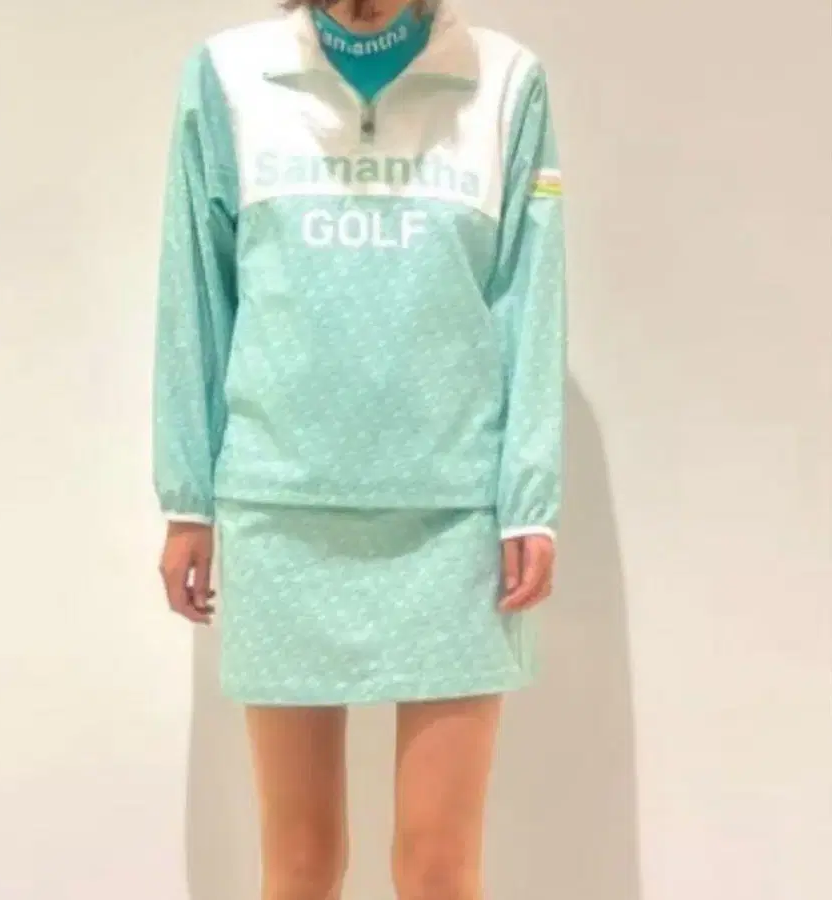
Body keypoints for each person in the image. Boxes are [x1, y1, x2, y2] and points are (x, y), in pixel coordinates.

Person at [152, 0, 567, 897]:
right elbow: (196, 291)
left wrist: (529, 501)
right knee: (299, 862)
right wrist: (188, 499)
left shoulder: (505, 82)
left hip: (454, 517)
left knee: (439, 867)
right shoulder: (228, 76)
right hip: (281, 508)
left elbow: (530, 295)